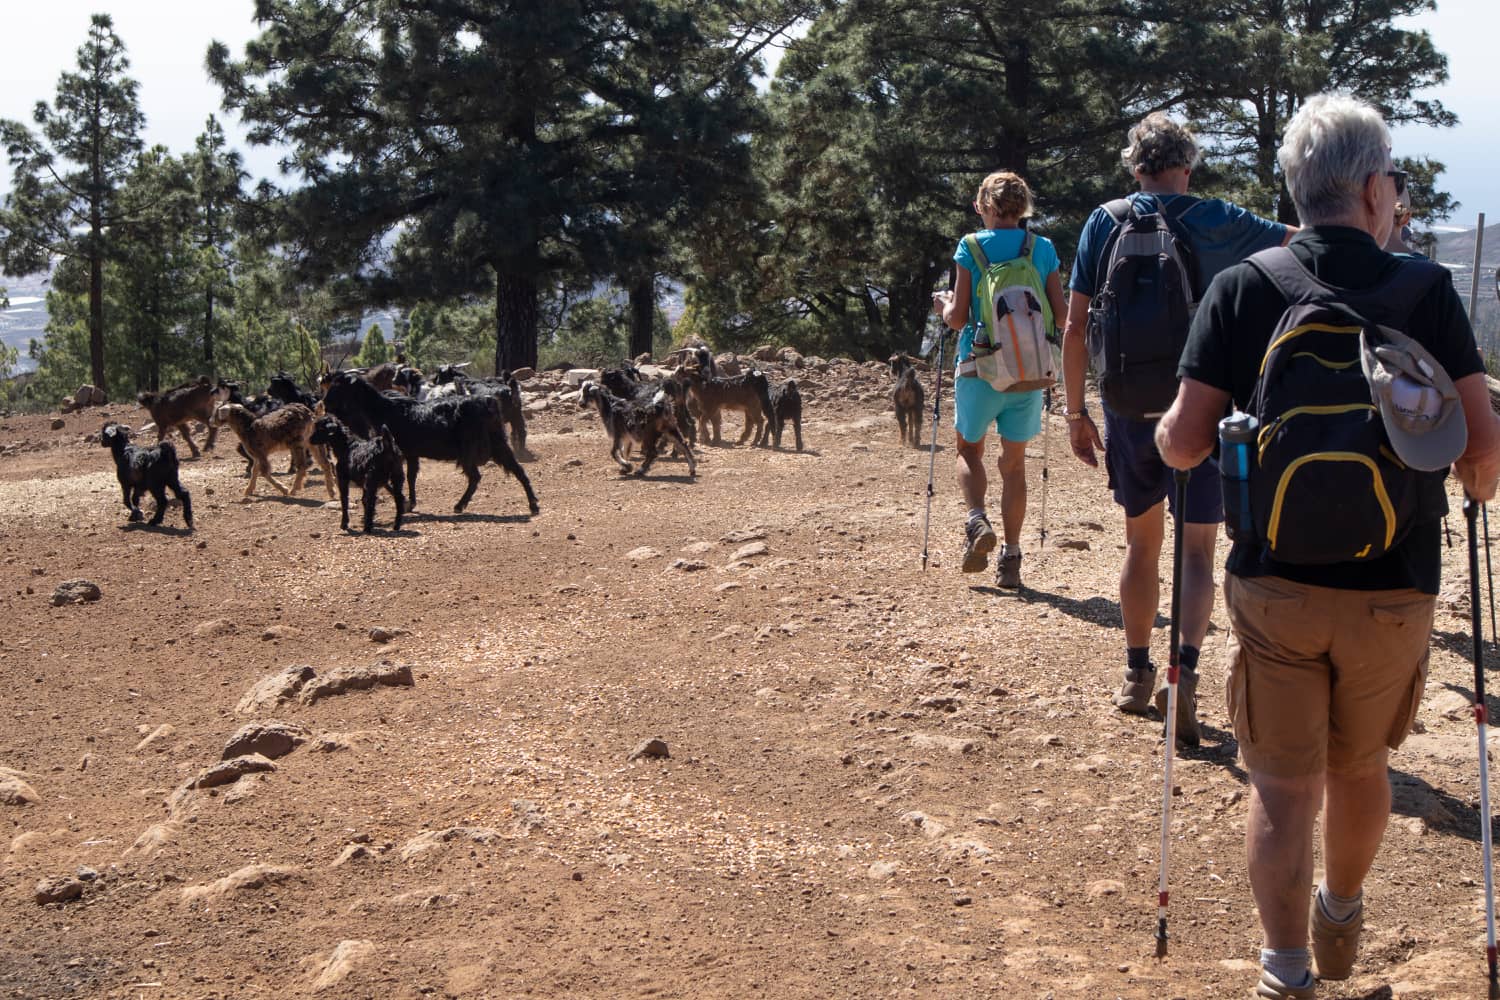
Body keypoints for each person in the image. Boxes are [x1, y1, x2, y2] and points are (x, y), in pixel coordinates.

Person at [1155, 92, 1500, 998]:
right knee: (1360, 767)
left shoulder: (1246, 287)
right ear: (1373, 188)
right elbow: (1482, 442)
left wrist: (1166, 434)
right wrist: (1475, 486)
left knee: (1280, 784)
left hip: (1275, 582)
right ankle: (1340, 911)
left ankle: (1285, 972)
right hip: (1396, 584)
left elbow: (1185, 445)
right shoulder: (1424, 290)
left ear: (1300, 190)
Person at [1060, 113, 1293, 740]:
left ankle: (1137, 675)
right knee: (1197, 551)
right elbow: (1305, 240)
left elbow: (1076, 325)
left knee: (1141, 547)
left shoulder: (1104, 221)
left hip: (1128, 407)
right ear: (1186, 167)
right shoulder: (1217, 217)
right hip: (1202, 412)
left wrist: (1076, 412)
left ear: (1135, 166)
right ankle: (1182, 673)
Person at [932, 171, 1068, 589]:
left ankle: (977, 521)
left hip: (979, 368)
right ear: (1023, 207)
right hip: (1029, 372)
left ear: (983, 206)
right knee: (1014, 467)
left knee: (968, 449)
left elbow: (958, 319)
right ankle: (1011, 558)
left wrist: (944, 305)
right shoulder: (1041, 248)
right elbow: (1062, 316)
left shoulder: (970, 246)